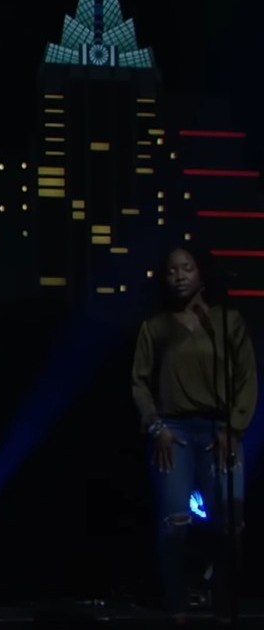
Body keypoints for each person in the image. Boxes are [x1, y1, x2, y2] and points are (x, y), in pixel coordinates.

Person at [130, 244, 257, 622]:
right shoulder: (155, 326)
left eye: (186, 268)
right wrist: (156, 426)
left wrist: (234, 427)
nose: (179, 276)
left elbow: (247, 377)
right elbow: (139, 383)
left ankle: (225, 607)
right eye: (172, 270)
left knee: (231, 524)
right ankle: (177, 605)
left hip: (221, 429)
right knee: (174, 525)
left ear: (201, 274)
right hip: (174, 433)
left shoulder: (226, 322)